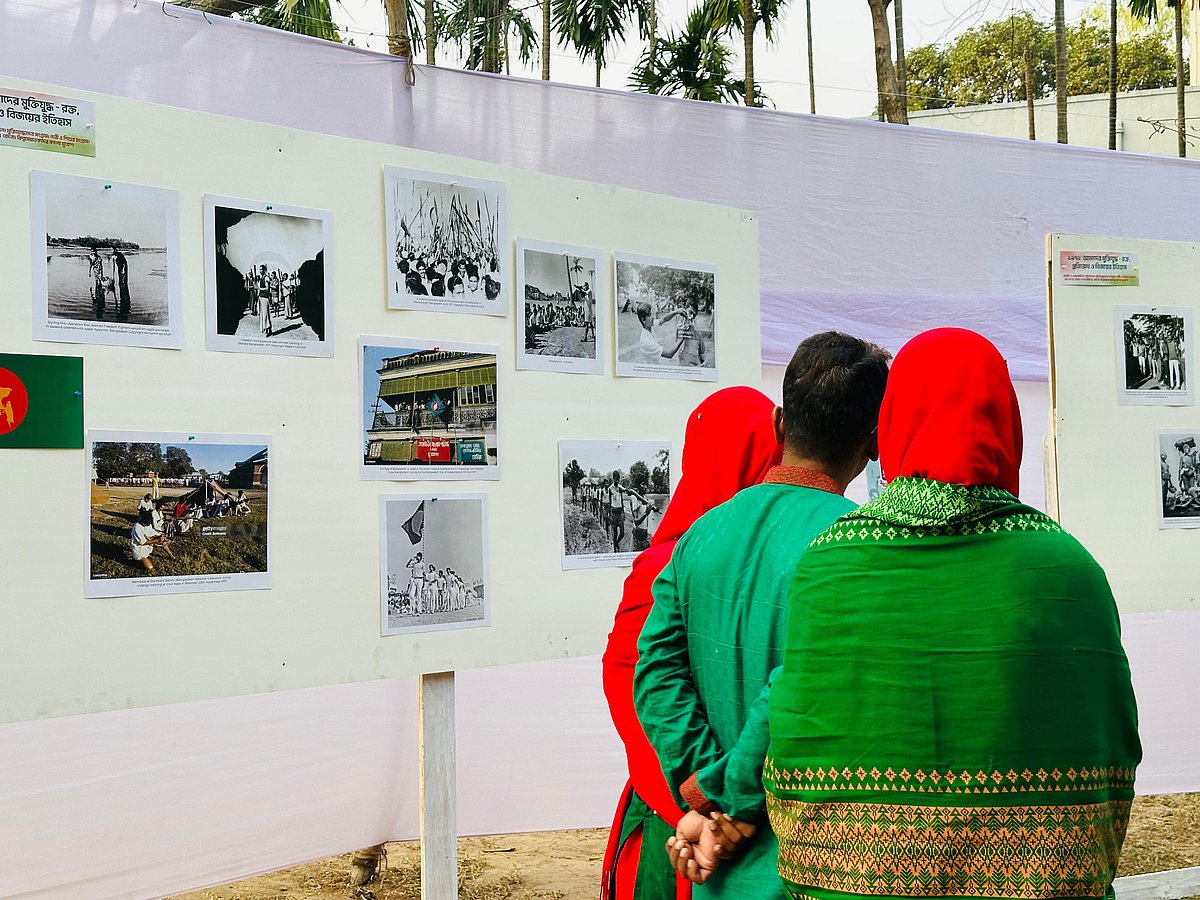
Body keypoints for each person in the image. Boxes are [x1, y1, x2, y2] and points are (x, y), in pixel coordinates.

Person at [763, 328, 1141, 900]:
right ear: (1006, 422)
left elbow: (798, 733)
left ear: (891, 427)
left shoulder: (829, 564)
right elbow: (1109, 738)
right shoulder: (1067, 569)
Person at [635, 333, 889, 896]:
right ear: (874, 440)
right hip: (811, 864)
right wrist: (734, 801)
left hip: (719, 869)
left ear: (778, 423)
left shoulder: (699, 535)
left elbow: (653, 670)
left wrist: (703, 790)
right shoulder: (857, 545)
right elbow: (794, 683)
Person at [601, 386, 783, 900]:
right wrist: (699, 808)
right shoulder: (669, 565)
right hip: (687, 814)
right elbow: (633, 694)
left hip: (718, 808)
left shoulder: (685, 555)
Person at [607, 474, 628, 553]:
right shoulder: (610, 488)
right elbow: (609, 502)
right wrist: (609, 514)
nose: (617, 481)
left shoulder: (620, 488)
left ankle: (616, 543)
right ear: (613, 479)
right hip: (613, 513)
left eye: (618, 479)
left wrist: (624, 512)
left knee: (622, 533)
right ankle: (615, 549)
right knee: (615, 532)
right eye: (615, 479)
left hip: (620, 513)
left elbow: (622, 499)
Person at [113, 248, 131, 317]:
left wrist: (123, 270)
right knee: (121, 284)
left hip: (123, 270)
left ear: (115, 250)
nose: (112, 251)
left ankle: (125, 299)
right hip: (120, 270)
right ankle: (123, 297)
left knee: (123, 284)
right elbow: (115, 266)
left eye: (113, 250)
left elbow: (124, 263)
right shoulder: (114, 257)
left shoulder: (119, 255)